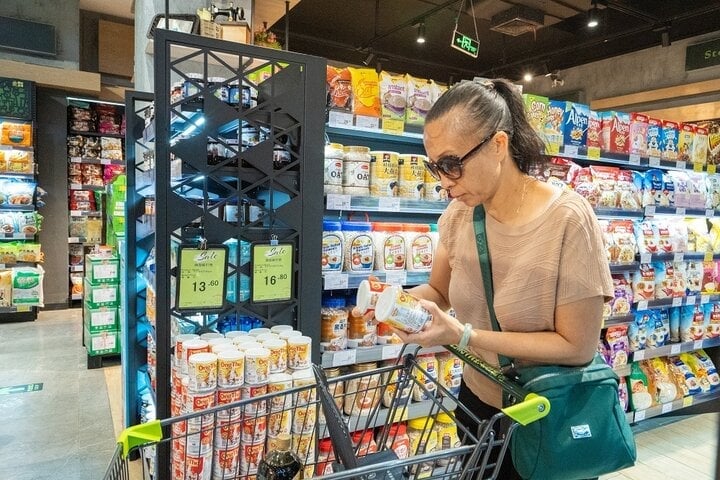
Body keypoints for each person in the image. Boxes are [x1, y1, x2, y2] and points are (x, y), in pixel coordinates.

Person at [387, 78, 613, 479]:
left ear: (498, 145)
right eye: (435, 166)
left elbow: (577, 346)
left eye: (452, 164)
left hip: (544, 415)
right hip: (477, 403)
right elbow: (438, 291)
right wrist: (394, 301)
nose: (443, 181)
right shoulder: (458, 216)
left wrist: (463, 337)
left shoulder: (568, 220)